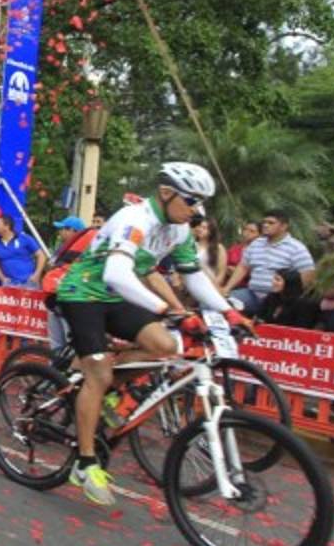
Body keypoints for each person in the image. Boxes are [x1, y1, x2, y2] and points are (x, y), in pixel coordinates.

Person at [55, 162, 253, 506]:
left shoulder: (178, 229)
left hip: (117, 296)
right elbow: (117, 273)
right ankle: (85, 463)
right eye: (191, 201)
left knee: (166, 346)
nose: (196, 210)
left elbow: (193, 276)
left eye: (201, 203)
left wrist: (228, 310)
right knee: (99, 374)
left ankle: (102, 390)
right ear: (166, 193)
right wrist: (166, 310)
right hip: (83, 292)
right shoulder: (135, 219)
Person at [221, 209, 315, 316]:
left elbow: (308, 276)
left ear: (284, 226)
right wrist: (227, 288)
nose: (265, 225)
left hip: (278, 299)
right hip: (252, 294)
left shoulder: (297, 248)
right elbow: (243, 267)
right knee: (220, 302)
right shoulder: (256, 243)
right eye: (264, 222)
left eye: (271, 223)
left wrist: (289, 298)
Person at [0, 214, 47, 287]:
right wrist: (3, 279)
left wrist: (37, 275)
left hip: (29, 282)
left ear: (6, 226)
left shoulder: (24, 238)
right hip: (10, 284)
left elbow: (41, 255)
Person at [189, 213, 227, 286]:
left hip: (209, 284)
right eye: (199, 226)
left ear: (211, 231)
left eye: (204, 228)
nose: (200, 229)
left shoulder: (218, 247)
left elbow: (221, 274)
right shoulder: (191, 244)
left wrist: (213, 286)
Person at [225, 220, 260, 289]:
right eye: (245, 229)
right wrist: (227, 269)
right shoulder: (234, 249)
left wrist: (237, 272)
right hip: (227, 283)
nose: (247, 233)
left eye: (252, 231)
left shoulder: (259, 251)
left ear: (259, 235)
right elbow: (223, 264)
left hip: (246, 287)